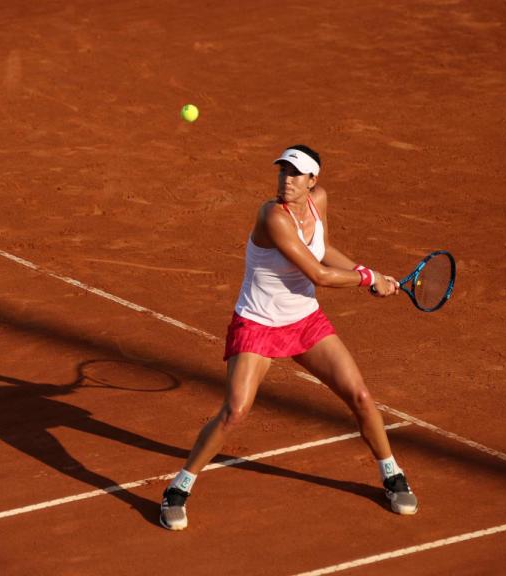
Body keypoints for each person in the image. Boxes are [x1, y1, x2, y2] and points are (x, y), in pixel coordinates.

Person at [159, 145, 418, 531]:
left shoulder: (319, 202)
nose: (286, 180)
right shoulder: (272, 216)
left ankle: (391, 473)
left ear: (313, 181)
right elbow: (319, 275)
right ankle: (178, 489)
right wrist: (368, 280)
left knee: (360, 395)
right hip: (258, 324)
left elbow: (324, 249)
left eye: (296, 174)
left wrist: (368, 271)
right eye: (283, 172)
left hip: (304, 322)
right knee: (235, 412)